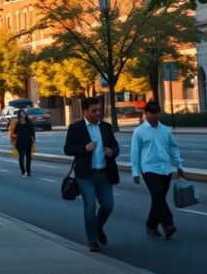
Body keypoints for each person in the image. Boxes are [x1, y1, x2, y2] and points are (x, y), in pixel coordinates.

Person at [64, 96, 121, 252]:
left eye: (99, 110)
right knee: (90, 206)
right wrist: (84, 148)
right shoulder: (76, 128)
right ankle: (93, 240)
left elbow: (116, 147)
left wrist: (112, 151)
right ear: (85, 111)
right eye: (94, 110)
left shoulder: (106, 127)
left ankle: (97, 226)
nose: (98, 113)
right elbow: (67, 149)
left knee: (108, 205)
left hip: (104, 173)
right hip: (85, 175)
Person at [131, 100, 185, 240]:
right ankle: (168, 224)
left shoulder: (165, 130)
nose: (154, 116)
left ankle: (151, 225)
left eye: (156, 113)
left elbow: (173, 147)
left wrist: (179, 165)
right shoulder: (139, 132)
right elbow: (135, 153)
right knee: (158, 197)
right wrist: (135, 172)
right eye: (151, 113)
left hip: (165, 169)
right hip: (149, 168)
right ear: (146, 114)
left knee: (158, 199)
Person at [13, 109, 36, 177]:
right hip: (20, 142)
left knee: (28, 157)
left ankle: (28, 171)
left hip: (28, 142)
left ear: (25, 115)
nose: (22, 115)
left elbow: (32, 132)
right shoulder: (18, 124)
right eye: (21, 114)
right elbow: (14, 132)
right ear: (19, 116)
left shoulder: (29, 123)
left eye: (23, 113)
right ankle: (23, 172)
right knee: (21, 157)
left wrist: (33, 140)